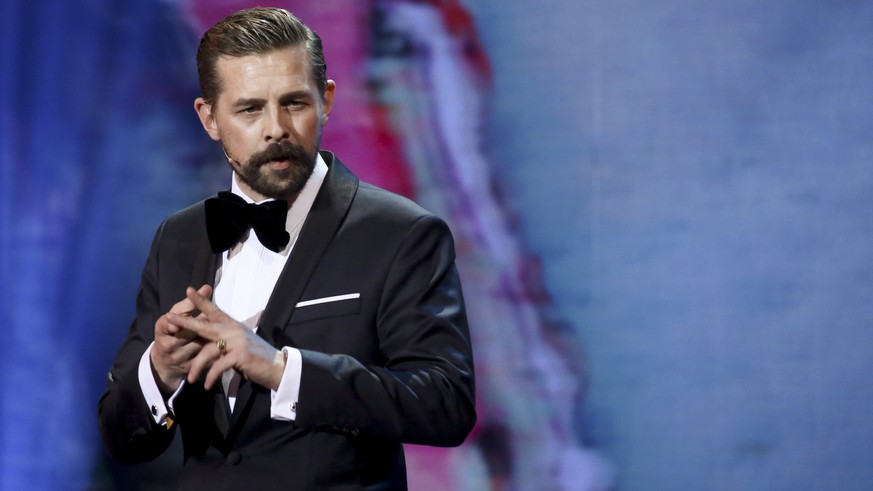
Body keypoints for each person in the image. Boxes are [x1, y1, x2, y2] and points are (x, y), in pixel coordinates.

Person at [97, 7, 476, 490]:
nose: (276, 128)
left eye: (294, 103)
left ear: (327, 100)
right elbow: (121, 436)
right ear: (209, 118)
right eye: (250, 109)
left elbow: (445, 405)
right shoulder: (179, 237)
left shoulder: (401, 234)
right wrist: (161, 370)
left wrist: (281, 370)